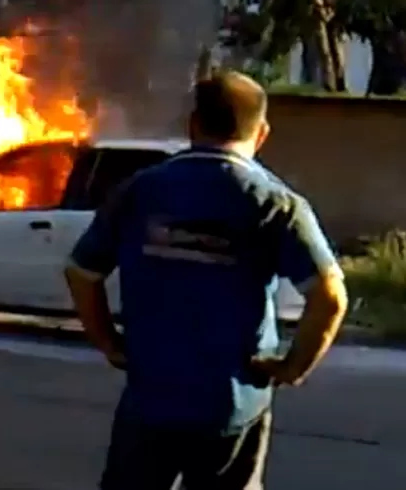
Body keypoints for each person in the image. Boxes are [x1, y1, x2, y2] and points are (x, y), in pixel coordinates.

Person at [65, 70, 349, 489]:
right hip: (232, 406)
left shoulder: (139, 191)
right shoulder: (275, 203)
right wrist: (293, 365)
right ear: (262, 132)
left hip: (151, 399)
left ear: (193, 125)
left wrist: (110, 342)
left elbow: (81, 272)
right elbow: (329, 296)